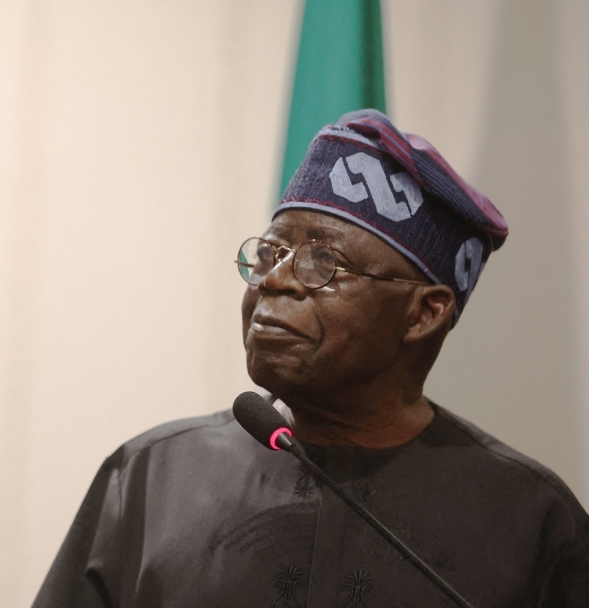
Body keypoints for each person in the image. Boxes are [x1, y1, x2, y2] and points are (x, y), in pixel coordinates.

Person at [32, 110, 589, 607]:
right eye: (270, 253)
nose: (273, 280)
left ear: (424, 314)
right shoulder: (154, 476)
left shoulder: (530, 520)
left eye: (323, 263)